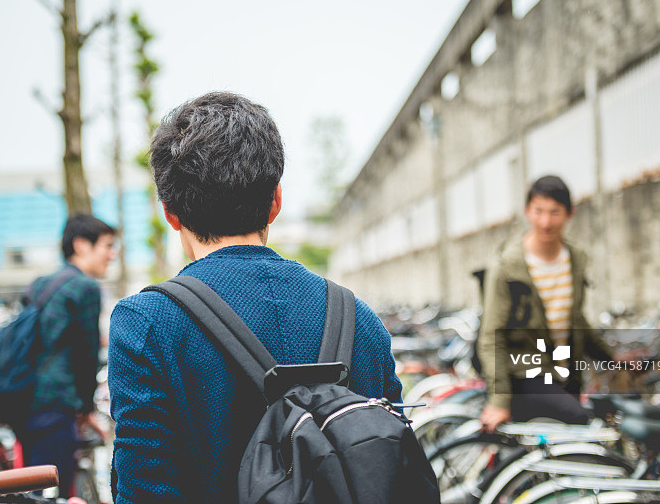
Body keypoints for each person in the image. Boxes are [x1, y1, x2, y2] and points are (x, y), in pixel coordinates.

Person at [108, 92, 402, 503]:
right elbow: (390, 469)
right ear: (276, 201)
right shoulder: (359, 319)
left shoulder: (147, 322)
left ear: (169, 212)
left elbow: (144, 489)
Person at [477, 175, 613, 432]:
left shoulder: (575, 258)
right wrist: (499, 399)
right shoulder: (508, 266)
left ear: (569, 213)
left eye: (554, 212)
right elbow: (491, 337)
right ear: (527, 211)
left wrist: (611, 359)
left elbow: (576, 319)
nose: (546, 222)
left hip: (567, 372)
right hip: (526, 372)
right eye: (538, 211)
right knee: (582, 421)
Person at [20, 214, 116, 498]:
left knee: (32, 487)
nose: (112, 255)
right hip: (56, 403)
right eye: (107, 246)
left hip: (24, 398)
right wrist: (86, 409)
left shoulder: (41, 283)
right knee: (55, 490)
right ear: (81, 245)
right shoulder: (85, 288)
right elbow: (87, 355)